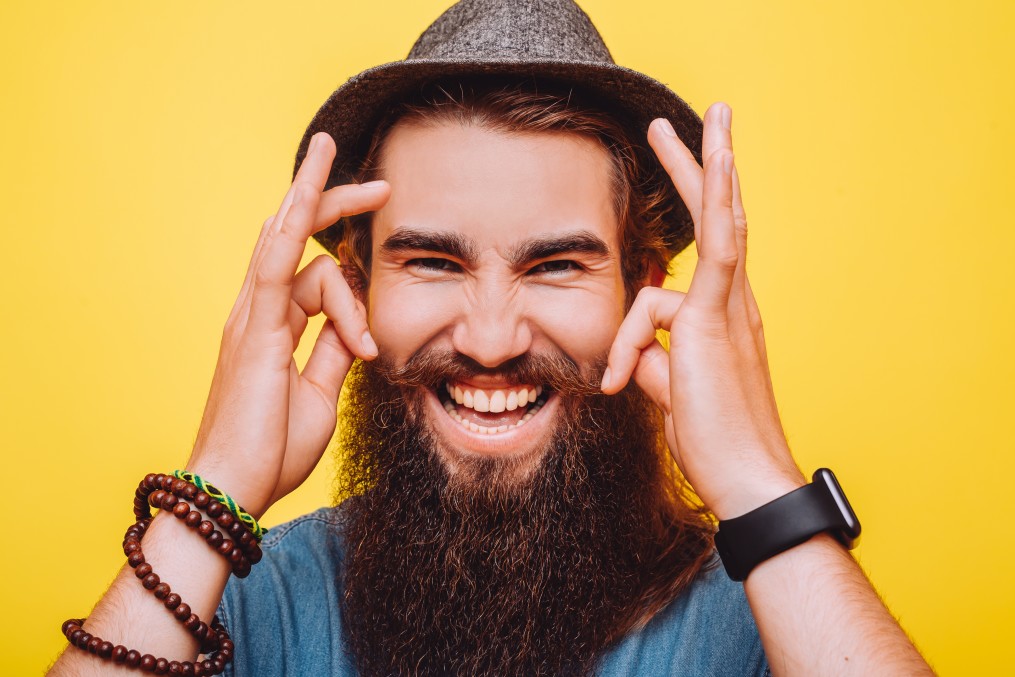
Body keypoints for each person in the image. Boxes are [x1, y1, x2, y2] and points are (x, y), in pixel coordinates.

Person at [50, 1, 934, 675]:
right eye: (433, 262)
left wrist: (760, 484)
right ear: (355, 290)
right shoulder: (243, 603)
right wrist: (214, 491)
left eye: (556, 265)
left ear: (642, 292)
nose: (489, 338)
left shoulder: (767, 620)